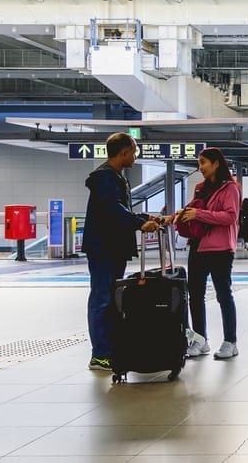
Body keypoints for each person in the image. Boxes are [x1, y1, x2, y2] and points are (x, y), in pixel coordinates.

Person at [82, 133, 160, 372]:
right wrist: (139, 224)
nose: (135, 156)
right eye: (134, 152)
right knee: (102, 299)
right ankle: (100, 355)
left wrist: (145, 217)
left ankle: (108, 350)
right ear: (123, 152)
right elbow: (112, 210)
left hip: (112, 248)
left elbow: (119, 209)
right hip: (104, 248)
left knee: (110, 298)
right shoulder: (105, 177)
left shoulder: (115, 177)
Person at [174, 147, 242, 360]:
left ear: (216, 163)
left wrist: (199, 214)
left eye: (203, 162)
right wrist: (179, 216)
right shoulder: (200, 188)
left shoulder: (230, 188)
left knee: (223, 295)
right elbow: (193, 210)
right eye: (199, 163)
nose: (200, 167)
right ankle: (200, 340)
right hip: (198, 246)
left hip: (221, 249)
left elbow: (230, 217)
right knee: (195, 295)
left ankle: (230, 342)